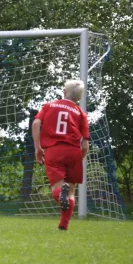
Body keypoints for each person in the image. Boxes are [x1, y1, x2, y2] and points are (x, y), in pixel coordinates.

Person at [32, 80, 90, 231]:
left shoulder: (50, 105)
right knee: (71, 191)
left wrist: (38, 147)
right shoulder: (81, 113)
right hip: (73, 151)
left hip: (54, 150)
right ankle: (63, 225)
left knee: (58, 189)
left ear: (64, 91)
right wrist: (80, 158)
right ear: (79, 97)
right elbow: (85, 144)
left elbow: (36, 124)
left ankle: (59, 193)